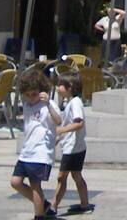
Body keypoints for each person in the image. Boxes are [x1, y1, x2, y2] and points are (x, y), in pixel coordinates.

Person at [9, 69, 61, 220]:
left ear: (42, 91)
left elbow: (58, 121)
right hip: (27, 152)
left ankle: (39, 216)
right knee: (15, 182)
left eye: (35, 94)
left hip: (40, 153)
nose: (32, 98)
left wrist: (48, 104)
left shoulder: (48, 104)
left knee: (35, 185)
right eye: (28, 94)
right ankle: (44, 206)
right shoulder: (27, 104)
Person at [48, 74, 93, 215]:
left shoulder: (75, 103)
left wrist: (61, 130)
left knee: (62, 177)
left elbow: (78, 123)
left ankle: (53, 206)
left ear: (69, 88)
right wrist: (60, 137)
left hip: (73, 149)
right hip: (74, 147)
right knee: (76, 175)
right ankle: (85, 204)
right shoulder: (72, 103)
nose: (57, 88)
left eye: (60, 85)